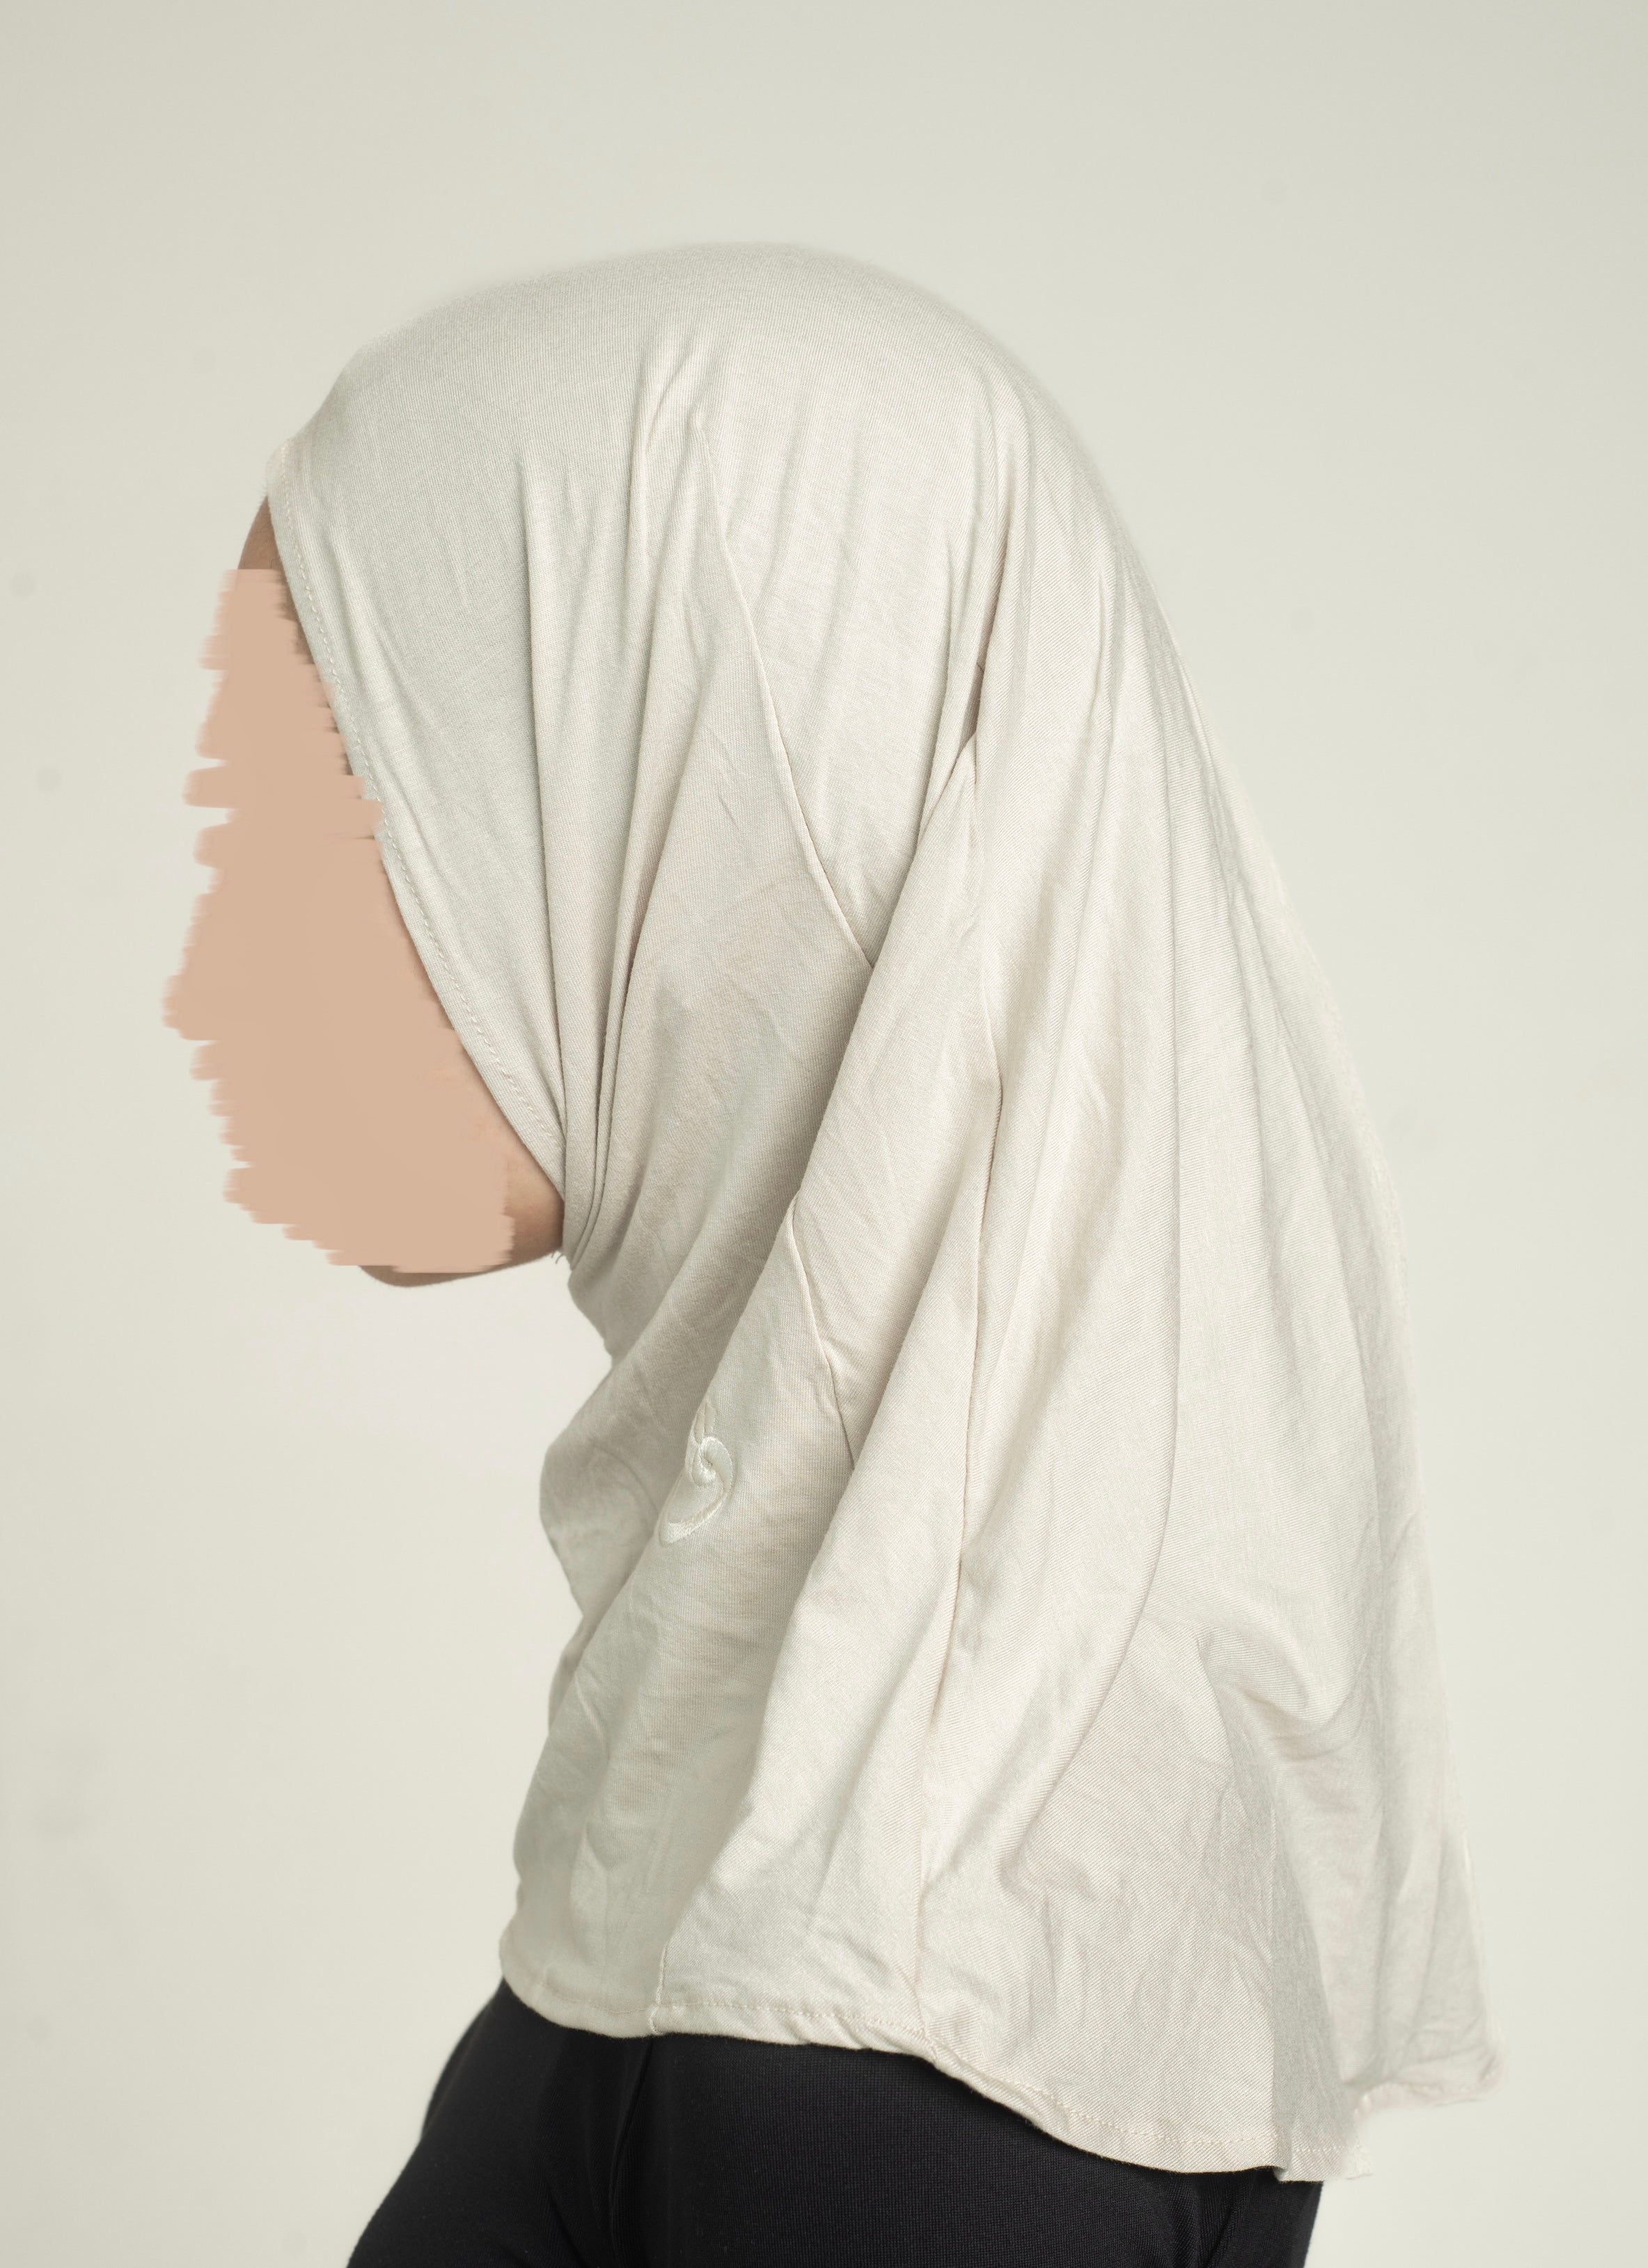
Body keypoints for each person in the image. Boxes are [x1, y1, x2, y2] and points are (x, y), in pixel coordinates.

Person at [168, 243, 1505, 2265]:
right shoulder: (823, 1838)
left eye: (360, 800)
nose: (208, 978)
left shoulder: (905, 2025)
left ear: (756, 823)